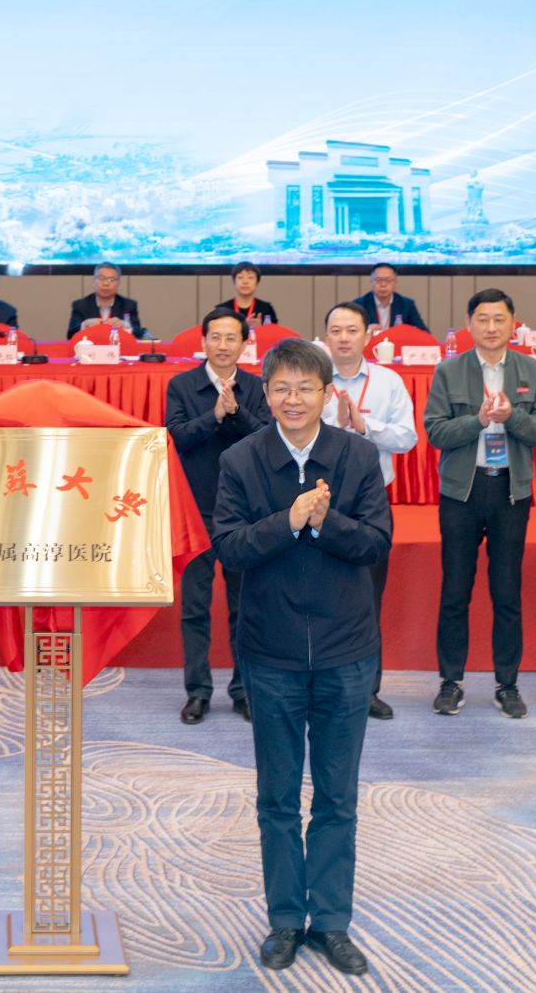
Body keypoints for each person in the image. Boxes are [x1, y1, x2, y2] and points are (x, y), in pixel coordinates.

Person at [213, 340, 390, 977]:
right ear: (265, 394)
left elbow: (376, 543)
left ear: (326, 394)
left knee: (338, 798)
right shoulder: (240, 459)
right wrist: (288, 521)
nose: (294, 399)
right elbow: (229, 547)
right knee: (279, 798)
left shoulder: (357, 455)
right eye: (282, 388)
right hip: (271, 654)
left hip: (346, 652)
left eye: (306, 388)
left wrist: (324, 520)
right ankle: (286, 919)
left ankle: (333, 923)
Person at [423, 289, 536, 718]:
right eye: (483, 319)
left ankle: (507, 684)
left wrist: (511, 416)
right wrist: (478, 420)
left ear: (513, 323)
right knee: (454, 591)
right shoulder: (448, 370)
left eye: (500, 319)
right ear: (469, 324)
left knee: (507, 592)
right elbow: (435, 432)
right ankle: (451, 682)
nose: (492, 327)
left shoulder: (531, 369)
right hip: (461, 492)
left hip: (510, 492)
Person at [163, 309, 269, 725]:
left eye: (231, 338)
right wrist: (216, 416)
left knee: (246, 608)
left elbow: (265, 437)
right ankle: (198, 691)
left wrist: (237, 411)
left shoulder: (257, 387)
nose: (223, 346)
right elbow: (177, 436)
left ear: (245, 344)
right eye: (216, 337)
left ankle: (244, 690)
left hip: (245, 513)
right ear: (203, 341)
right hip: (196, 511)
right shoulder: (182, 385)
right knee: (195, 606)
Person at [322, 302, 418, 721]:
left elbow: (407, 438)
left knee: (367, 599)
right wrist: (333, 426)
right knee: (321, 595)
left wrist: (364, 427)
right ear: (325, 337)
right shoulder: (313, 381)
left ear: (368, 336)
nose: (344, 337)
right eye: (336, 330)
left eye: (351, 330)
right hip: (321, 500)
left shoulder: (388, 381)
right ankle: (323, 687)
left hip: (370, 503)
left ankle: (366, 691)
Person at [66, 261, 149, 338]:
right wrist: (84, 325)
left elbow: (138, 334)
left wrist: (125, 325)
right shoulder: (80, 305)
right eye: (101, 278)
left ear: (118, 283)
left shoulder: (129, 305)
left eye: (111, 279)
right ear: (93, 281)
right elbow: (70, 335)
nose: (106, 283)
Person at [350, 262, 427, 333]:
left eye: (388, 280)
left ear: (395, 283)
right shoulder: (359, 305)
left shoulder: (407, 304)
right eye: (378, 280)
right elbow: (351, 332)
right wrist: (366, 330)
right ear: (371, 282)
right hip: (371, 343)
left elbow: (423, 333)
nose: (383, 284)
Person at [213, 262, 278, 330]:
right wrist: (244, 326)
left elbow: (275, 333)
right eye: (240, 277)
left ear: (257, 282)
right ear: (234, 281)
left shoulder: (266, 309)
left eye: (250, 278)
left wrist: (262, 329)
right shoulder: (222, 310)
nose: (245, 282)